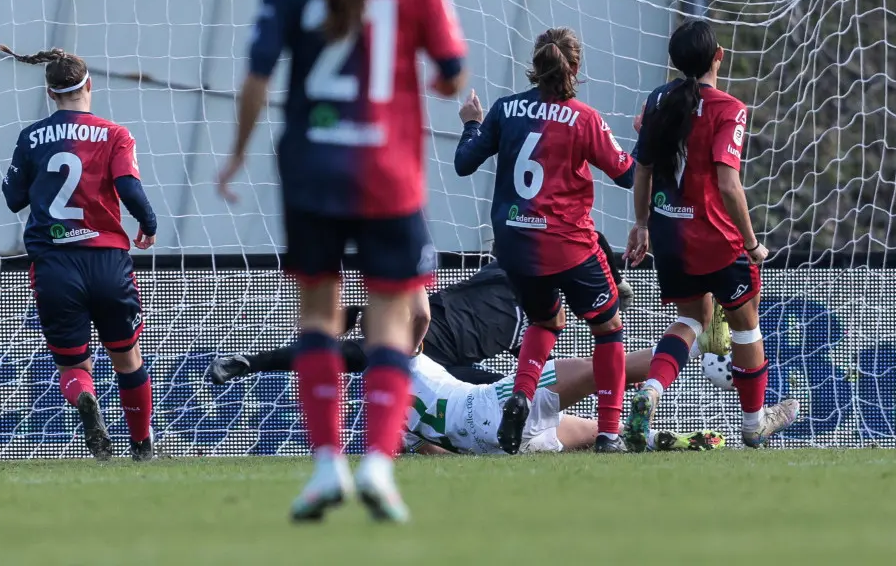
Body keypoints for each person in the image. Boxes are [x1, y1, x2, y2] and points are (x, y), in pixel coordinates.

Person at [216, 0, 467, 523]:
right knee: (395, 318)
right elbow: (450, 74)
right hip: (389, 172)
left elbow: (257, 80)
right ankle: (379, 469)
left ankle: (327, 465)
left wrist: (236, 157)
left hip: (310, 171)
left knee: (318, 317)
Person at [454, 28, 634, 454]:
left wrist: (471, 123)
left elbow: (464, 163)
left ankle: (521, 396)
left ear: (535, 66)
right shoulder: (585, 119)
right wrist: (649, 139)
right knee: (608, 330)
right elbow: (628, 174)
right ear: (575, 68)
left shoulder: (504, 109)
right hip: (567, 244)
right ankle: (609, 432)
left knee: (545, 321)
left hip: (514, 246)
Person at [623, 20, 799, 450]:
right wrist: (753, 242)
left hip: (668, 233)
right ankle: (754, 424)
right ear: (718, 56)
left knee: (691, 321)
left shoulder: (656, 100)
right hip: (717, 240)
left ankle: (650, 392)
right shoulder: (729, 108)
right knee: (745, 326)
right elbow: (727, 183)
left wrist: (643, 224)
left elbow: (641, 169)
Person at [0, 46, 158, 462]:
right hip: (106, 260)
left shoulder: (31, 137)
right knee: (127, 359)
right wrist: (149, 223)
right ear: (89, 85)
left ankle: (87, 402)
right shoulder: (115, 134)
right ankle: (141, 446)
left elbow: (13, 198)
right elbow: (129, 189)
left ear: (50, 94)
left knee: (74, 367)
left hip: (53, 264)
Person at [206, 240, 634, 389]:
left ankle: (619, 404)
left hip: (452, 358)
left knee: (530, 390)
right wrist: (253, 363)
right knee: (515, 397)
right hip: (446, 376)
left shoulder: (517, 279)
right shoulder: (416, 359)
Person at [403, 352, 725, 456]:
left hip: (497, 448)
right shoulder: (409, 357)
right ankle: (694, 342)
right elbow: (419, 316)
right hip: (495, 404)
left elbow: (432, 453)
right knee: (601, 366)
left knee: (598, 432)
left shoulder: (387, 412)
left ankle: (655, 439)